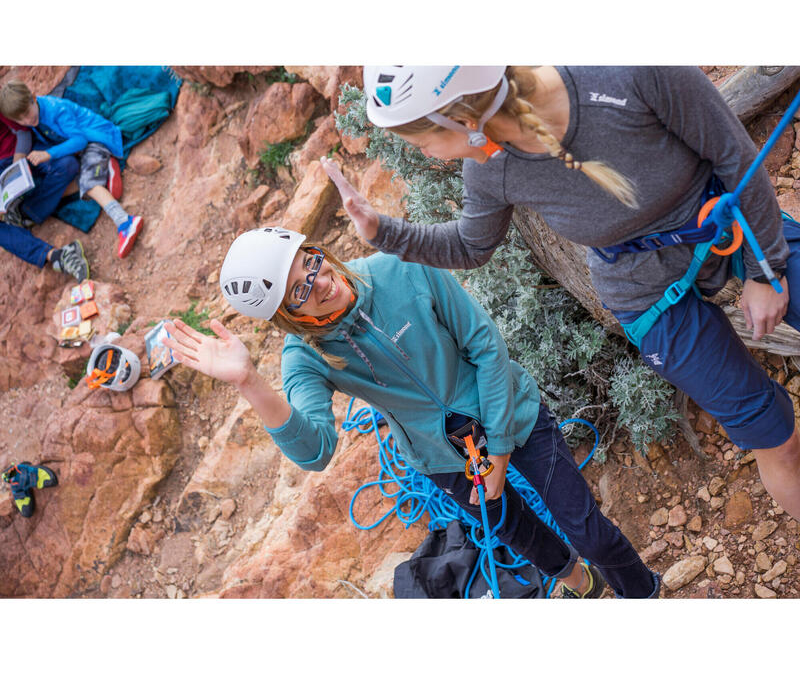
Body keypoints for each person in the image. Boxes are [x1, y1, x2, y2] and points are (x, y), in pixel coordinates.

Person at [320, 64, 800, 523]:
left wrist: (765, 270)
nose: (428, 155)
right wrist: (381, 230)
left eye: (426, 142)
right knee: (775, 437)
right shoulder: (491, 169)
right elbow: (471, 245)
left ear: (462, 120)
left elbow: (735, 155)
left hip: (727, 221)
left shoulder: (621, 72)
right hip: (643, 289)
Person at [163, 225, 660, 598]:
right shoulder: (306, 358)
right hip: (447, 460)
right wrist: (251, 383)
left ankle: (645, 594)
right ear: (287, 317)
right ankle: (581, 584)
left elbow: (486, 348)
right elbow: (316, 451)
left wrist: (502, 450)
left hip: (514, 417)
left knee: (588, 529)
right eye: (298, 289)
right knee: (519, 532)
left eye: (310, 262)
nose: (318, 281)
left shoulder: (401, 269)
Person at [0, 80, 142, 259]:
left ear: (33, 98)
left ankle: (125, 221)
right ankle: (104, 171)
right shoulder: (34, 119)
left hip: (95, 140)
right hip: (80, 149)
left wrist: (49, 154)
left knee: (87, 182)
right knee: (69, 175)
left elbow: (80, 140)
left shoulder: (55, 110)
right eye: (21, 120)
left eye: (28, 113)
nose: (27, 120)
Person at [1, 112, 90, 280]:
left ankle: (25, 212)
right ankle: (57, 256)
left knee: (68, 165)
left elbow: (23, 131)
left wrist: (17, 162)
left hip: (20, 154)